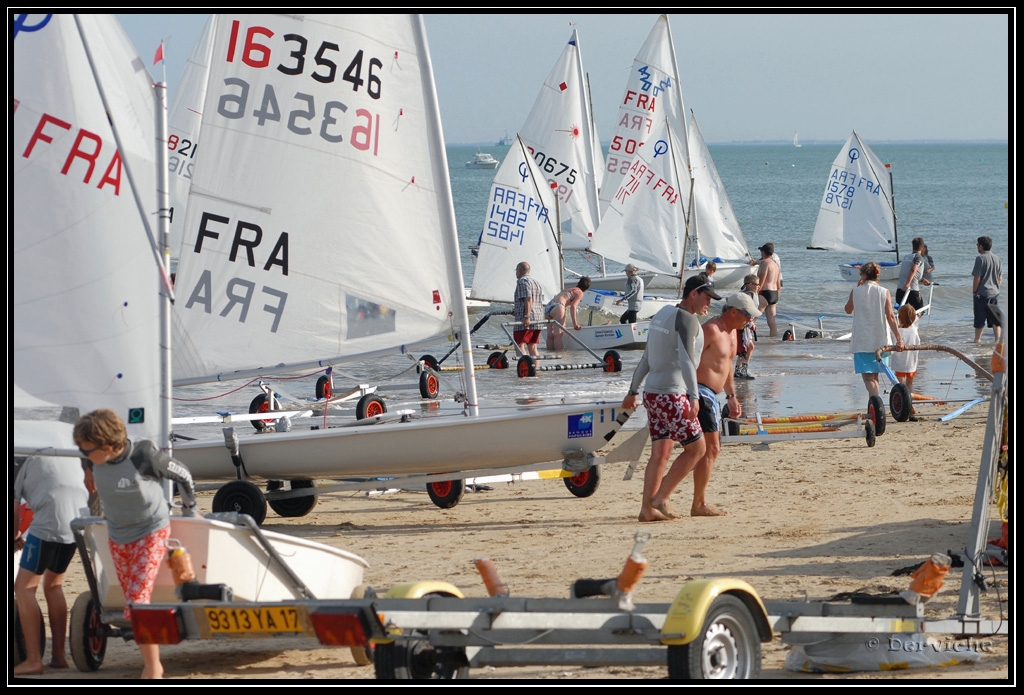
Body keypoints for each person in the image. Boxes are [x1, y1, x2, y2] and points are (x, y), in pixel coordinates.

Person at [73, 409, 199, 679]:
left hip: (151, 530)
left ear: (107, 445)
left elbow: (184, 474)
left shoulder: (143, 456)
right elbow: (88, 464)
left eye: (87, 452)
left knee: (137, 601)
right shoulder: (93, 457)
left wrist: (190, 509)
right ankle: (150, 650)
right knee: (130, 599)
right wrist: (88, 473)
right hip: (118, 534)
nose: (83, 456)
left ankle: (153, 668)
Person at [621, 274, 722, 522]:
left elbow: (646, 358)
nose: (709, 303)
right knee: (698, 448)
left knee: (661, 452)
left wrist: (634, 390)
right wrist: (693, 396)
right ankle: (662, 497)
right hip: (672, 394)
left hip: (653, 394)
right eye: (707, 297)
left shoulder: (662, 313)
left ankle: (647, 510)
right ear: (694, 293)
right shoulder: (687, 320)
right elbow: (687, 361)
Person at [12, 455, 90, 676]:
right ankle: (58, 656)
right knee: (54, 585)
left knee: (24, 588)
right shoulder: (63, 453)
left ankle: (33, 659)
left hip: (48, 524)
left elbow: (13, 510)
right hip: (76, 524)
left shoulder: (18, 461)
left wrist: (15, 536)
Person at [694, 292, 762, 516]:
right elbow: (688, 359)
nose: (749, 321)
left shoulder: (733, 334)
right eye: (746, 316)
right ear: (733, 311)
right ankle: (698, 504)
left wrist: (731, 397)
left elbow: (727, 367)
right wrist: (689, 394)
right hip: (699, 392)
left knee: (704, 450)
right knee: (708, 448)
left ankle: (687, 499)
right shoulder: (711, 330)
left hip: (713, 396)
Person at [844, 261, 904, 398]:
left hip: (862, 340)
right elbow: (890, 316)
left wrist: (856, 289)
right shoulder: (884, 292)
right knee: (874, 377)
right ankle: (875, 404)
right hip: (880, 340)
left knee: (868, 378)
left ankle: (875, 404)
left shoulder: (856, 291)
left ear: (863, 275)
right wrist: (899, 338)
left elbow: (848, 310)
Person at [891, 304, 922, 420]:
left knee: (901, 386)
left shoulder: (898, 331)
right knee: (910, 384)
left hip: (900, 363)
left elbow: (894, 342)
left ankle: (908, 405)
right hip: (912, 363)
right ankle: (911, 403)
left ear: (899, 318)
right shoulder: (914, 330)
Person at [734, 274, 766, 380]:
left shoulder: (748, 293)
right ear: (750, 285)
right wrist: (749, 322)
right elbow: (744, 310)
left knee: (747, 348)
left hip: (745, 324)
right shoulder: (748, 294)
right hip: (743, 324)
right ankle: (742, 370)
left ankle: (739, 370)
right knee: (747, 348)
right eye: (757, 284)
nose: (759, 286)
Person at [545, 276, 590, 350]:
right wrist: (575, 324)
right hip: (558, 306)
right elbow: (573, 306)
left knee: (550, 335)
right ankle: (560, 359)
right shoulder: (579, 292)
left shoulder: (569, 288)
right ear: (587, 288)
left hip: (548, 306)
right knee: (557, 335)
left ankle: (550, 357)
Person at [972, 236, 1002, 344]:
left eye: (977, 245)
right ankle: (998, 340)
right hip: (995, 293)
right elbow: (1000, 277)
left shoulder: (980, 258)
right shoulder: (997, 258)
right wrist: (996, 287)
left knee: (980, 320)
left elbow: (977, 278)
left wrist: (974, 291)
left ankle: (977, 340)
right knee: (995, 320)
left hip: (982, 293)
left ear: (981, 246)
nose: (977, 247)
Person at [512, 261, 545, 358]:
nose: (516, 273)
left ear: (520, 271)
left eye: (516, 271)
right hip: (538, 317)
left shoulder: (522, 281)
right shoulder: (536, 282)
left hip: (527, 318)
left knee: (519, 345)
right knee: (533, 346)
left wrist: (527, 316)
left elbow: (529, 298)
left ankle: (526, 367)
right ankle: (535, 370)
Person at [755, 243, 781, 337]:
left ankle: (746, 340)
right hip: (774, 293)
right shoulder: (775, 264)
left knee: (752, 318)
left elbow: (761, 280)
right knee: (772, 322)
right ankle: (773, 343)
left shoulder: (765, 263)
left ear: (763, 252)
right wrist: (777, 295)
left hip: (764, 292)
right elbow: (778, 283)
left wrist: (756, 292)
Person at [895, 236, 929, 310]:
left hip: (900, 290)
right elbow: (913, 270)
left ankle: (907, 321)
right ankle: (913, 321)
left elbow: (908, 273)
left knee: (904, 314)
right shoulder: (918, 257)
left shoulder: (906, 257)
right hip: (911, 290)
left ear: (912, 246)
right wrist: (908, 284)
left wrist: (922, 280)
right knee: (920, 311)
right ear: (923, 248)